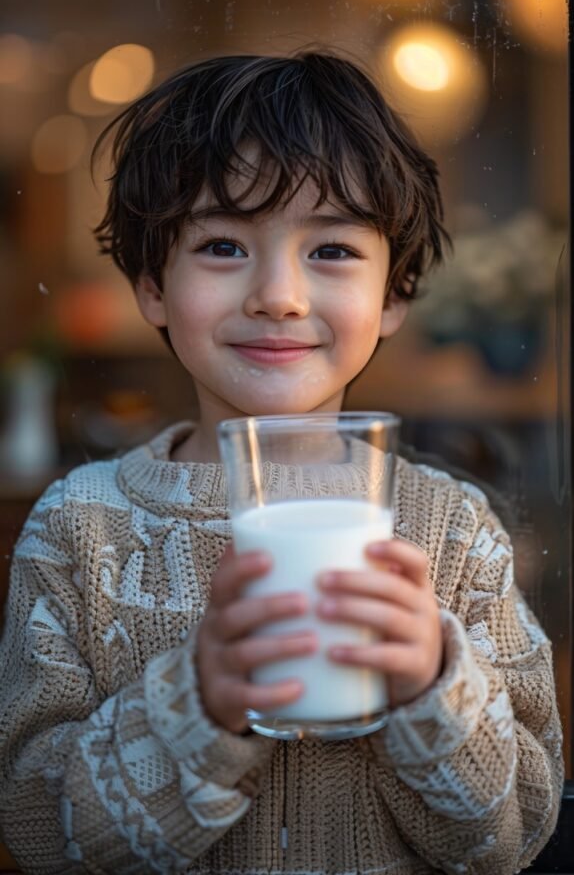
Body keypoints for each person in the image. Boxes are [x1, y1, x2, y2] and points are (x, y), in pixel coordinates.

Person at [0, 51, 563, 875]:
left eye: (331, 251)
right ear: (153, 284)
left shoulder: (449, 533)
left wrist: (432, 684)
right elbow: (39, 833)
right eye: (224, 245)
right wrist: (199, 706)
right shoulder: (79, 530)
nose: (279, 295)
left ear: (395, 293)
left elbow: (512, 837)